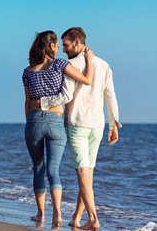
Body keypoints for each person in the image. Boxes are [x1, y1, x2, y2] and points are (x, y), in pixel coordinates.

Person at [32, 27, 121, 230]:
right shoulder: (103, 64)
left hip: (77, 124)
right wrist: (113, 123)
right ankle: (76, 218)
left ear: (77, 42)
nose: (63, 50)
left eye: (66, 45)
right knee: (87, 174)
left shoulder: (70, 64)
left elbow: (66, 96)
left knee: (82, 173)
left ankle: (93, 218)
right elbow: (111, 95)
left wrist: (42, 102)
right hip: (97, 125)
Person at [22, 31, 94, 227]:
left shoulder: (28, 71)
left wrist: (30, 123)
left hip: (35, 121)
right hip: (56, 120)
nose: (60, 48)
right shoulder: (60, 64)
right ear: (52, 46)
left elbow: (28, 103)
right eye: (57, 44)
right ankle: (58, 215)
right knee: (54, 170)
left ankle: (41, 215)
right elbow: (87, 80)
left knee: (38, 168)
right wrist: (89, 58)